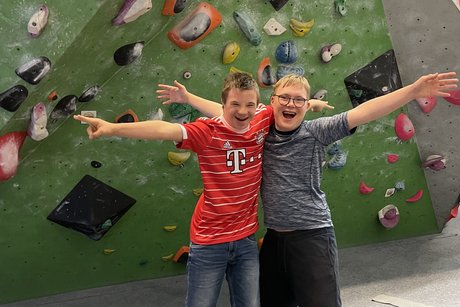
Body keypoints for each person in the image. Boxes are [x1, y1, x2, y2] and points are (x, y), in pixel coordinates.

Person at [158, 71, 458, 307]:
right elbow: (230, 112)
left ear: (305, 106)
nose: (291, 104)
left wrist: (413, 91)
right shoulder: (257, 131)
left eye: (299, 100)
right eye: (285, 98)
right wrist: (191, 98)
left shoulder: (316, 131)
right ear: (271, 103)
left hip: (312, 234)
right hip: (274, 239)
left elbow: (365, 112)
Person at [74, 72, 275, 307]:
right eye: (235, 105)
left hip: (245, 239)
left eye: (249, 105)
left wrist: (310, 103)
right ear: (224, 105)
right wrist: (112, 128)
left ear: (257, 105)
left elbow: (286, 104)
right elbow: (163, 129)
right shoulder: (208, 132)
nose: (243, 111)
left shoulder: (261, 118)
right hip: (210, 242)